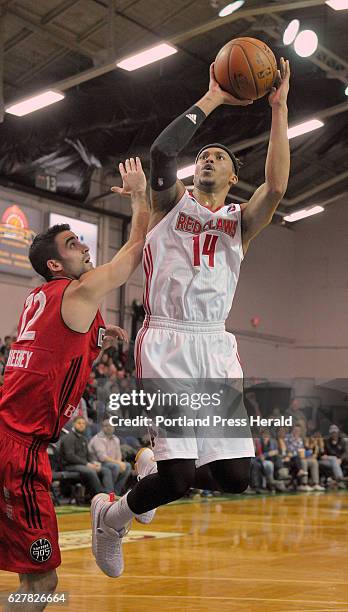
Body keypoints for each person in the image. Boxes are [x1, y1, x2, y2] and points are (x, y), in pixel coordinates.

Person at [91, 58, 291, 577]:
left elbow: (277, 185)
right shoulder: (167, 204)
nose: (207, 159)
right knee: (179, 481)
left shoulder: (240, 222)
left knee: (235, 477)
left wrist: (279, 108)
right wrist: (214, 99)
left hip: (215, 347)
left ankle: (150, 470)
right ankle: (112, 519)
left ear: (233, 174)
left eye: (219, 156)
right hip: (167, 339)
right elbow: (162, 152)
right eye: (202, 154)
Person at [0, 158, 148, 609]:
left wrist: (99, 338)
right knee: (41, 585)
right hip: (19, 453)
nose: (83, 245)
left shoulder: (40, 299)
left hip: (12, 439)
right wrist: (141, 194)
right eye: (71, 243)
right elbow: (133, 254)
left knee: (36, 581)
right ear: (54, 263)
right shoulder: (72, 292)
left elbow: (58, 351)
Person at [60, 416, 114, 496]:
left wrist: (94, 463)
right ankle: (101, 497)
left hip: (83, 465)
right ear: (73, 424)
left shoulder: (84, 438)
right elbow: (70, 457)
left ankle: (110, 496)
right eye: (79, 423)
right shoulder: (68, 438)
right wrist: (87, 464)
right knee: (90, 471)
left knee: (105, 470)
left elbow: (88, 456)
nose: (81, 425)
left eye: (83, 423)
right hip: (70, 465)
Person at [88, 419, 132, 495]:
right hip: (97, 464)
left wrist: (120, 463)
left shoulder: (116, 439)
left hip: (111, 463)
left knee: (127, 466)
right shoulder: (98, 438)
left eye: (111, 425)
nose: (109, 427)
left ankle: (116, 493)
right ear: (102, 427)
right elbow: (102, 457)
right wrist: (118, 463)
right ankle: (110, 494)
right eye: (106, 426)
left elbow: (118, 455)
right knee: (115, 466)